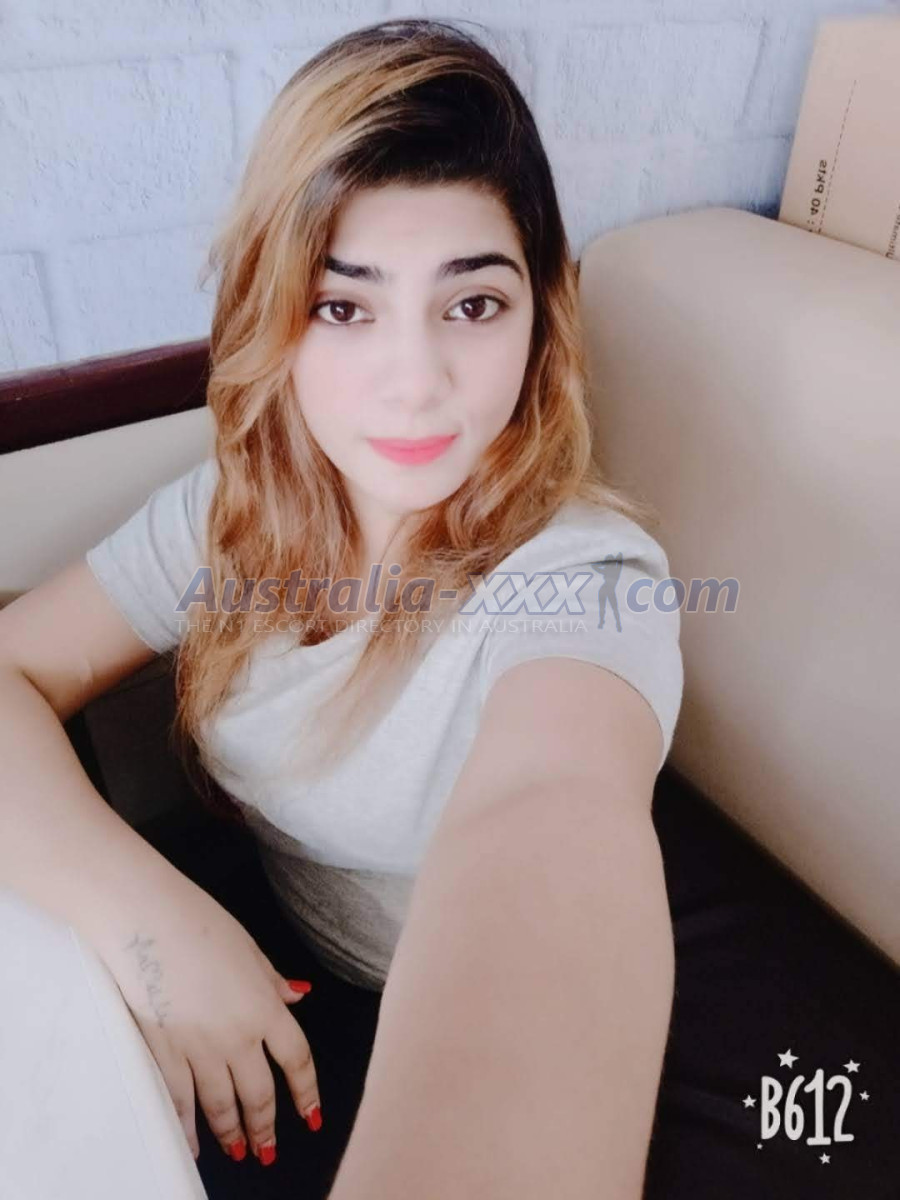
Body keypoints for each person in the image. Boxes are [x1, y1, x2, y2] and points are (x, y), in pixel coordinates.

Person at [0, 17, 684, 1200]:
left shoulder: (587, 586)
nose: (413, 382)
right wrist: (156, 930)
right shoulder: (235, 513)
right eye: (343, 306)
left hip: (422, 1031)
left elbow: (556, 809)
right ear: (272, 313)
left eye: (473, 304)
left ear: (541, 316)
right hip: (264, 949)